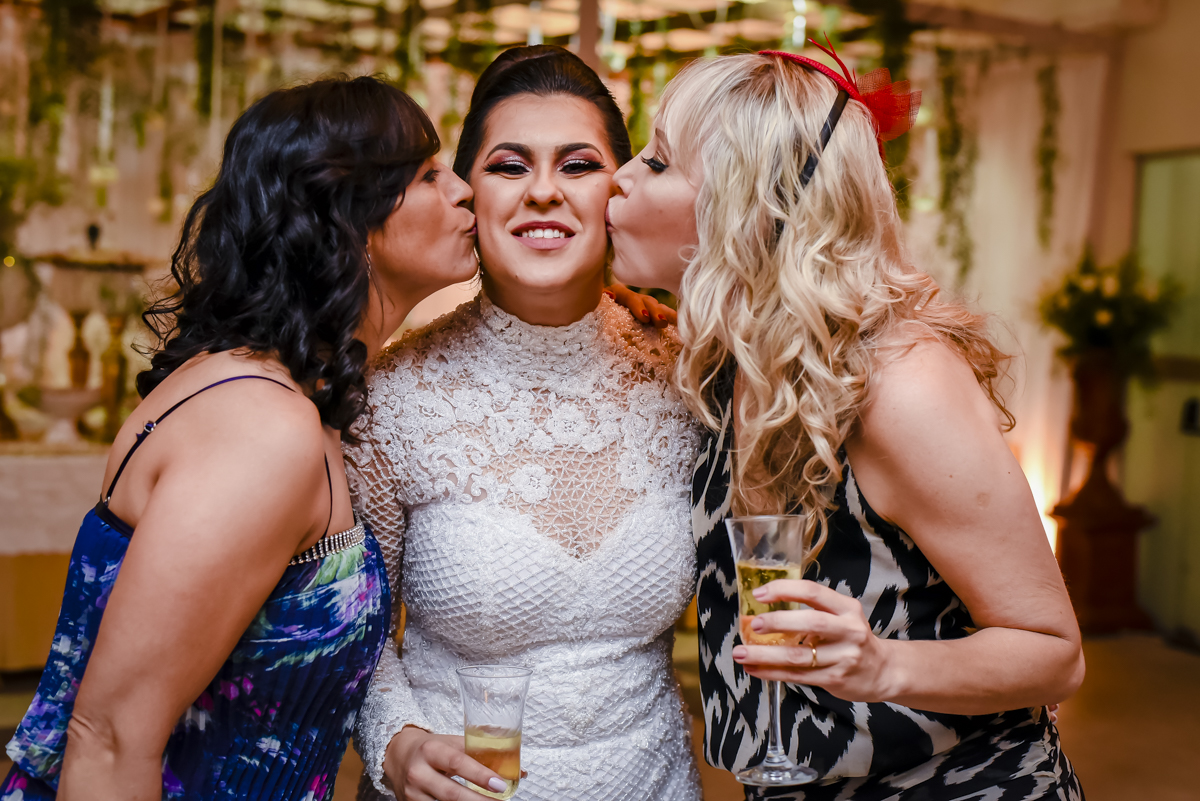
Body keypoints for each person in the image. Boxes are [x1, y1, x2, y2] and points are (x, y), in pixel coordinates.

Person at [607, 49, 1086, 800]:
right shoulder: (723, 361)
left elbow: (1054, 652)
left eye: (658, 160)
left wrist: (882, 665)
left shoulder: (898, 380)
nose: (620, 178)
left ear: (747, 205)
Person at [1, 76, 491, 801]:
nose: (465, 191)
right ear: (344, 219)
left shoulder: (277, 390)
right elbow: (108, 742)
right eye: (427, 175)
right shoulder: (263, 430)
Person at [348, 46, 702, 801]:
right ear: (467, 194)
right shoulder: (391, 394)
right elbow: (357, 630)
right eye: (510, 166)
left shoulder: (691, 373)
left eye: (577, 165)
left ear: (621, 189)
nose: (543, 191)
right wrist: (397, 742)